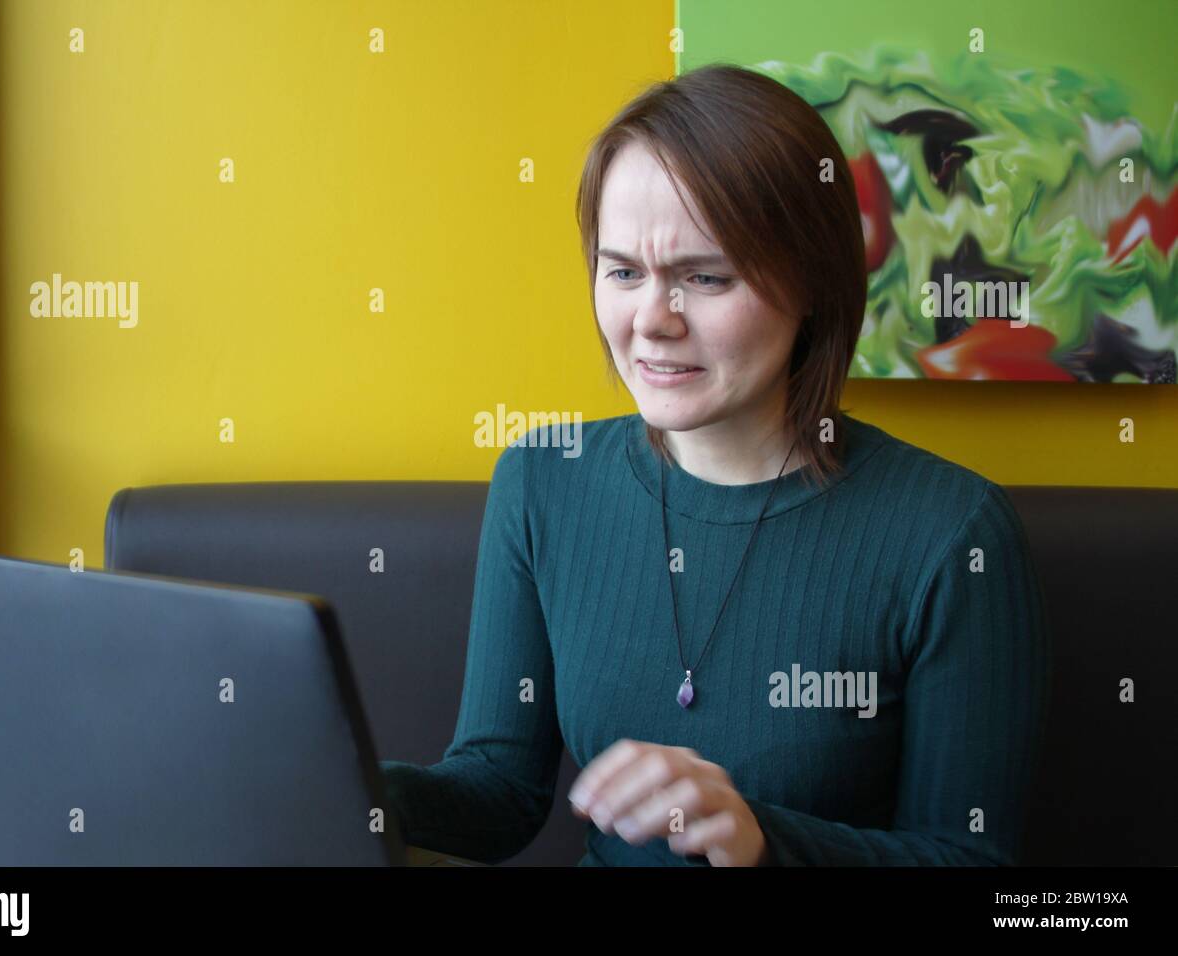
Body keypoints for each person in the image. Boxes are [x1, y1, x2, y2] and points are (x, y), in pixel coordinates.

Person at [380, 63, 1049, 866]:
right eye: (623, 270)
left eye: (705, 277)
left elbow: (979, 864)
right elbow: (499, 790)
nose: (652, 322)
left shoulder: (952, 535)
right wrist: (355, 787)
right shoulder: (541, 479)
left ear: (812, 284)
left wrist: (765, 840)